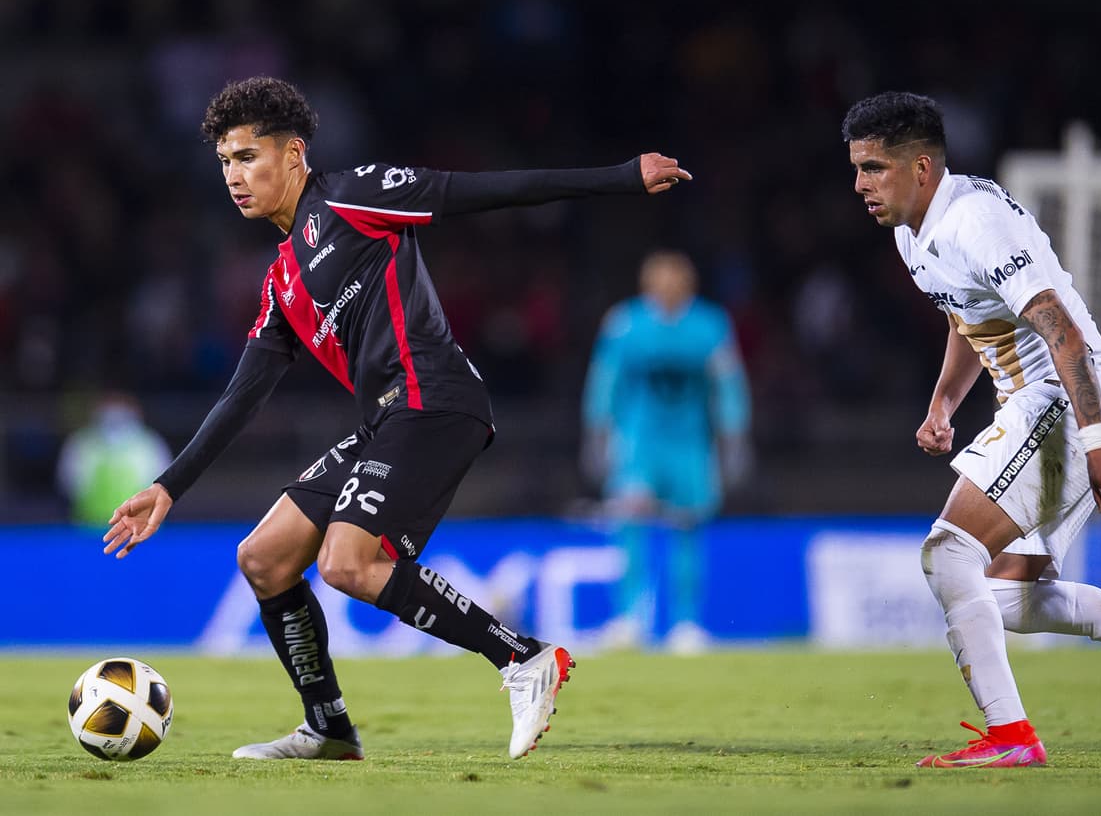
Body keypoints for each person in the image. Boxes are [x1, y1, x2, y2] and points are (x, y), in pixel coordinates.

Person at [103, 76, 692, 761]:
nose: (235, 176)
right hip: (387, 422)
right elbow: (244, 392)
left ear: (294, 155)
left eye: (248, 156)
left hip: (436, 401)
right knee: (263, 558)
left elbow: (481, 190)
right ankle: (327, 727)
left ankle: (522, 658)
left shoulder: (352, 195)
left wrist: (621, 177)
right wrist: (169, 485)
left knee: (347, 564)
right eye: (226, 162)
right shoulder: (282, 280)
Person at [841, 92, 1101, 769]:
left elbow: (1057, 327)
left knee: (948, 555)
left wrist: (1099, 444)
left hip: (1064, 401)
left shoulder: (974, 220)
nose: (859, 185)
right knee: (1009, 598)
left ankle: (1012, 738)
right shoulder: (912, 232)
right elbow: (966, 314)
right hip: (1044, 408)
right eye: (856, 169)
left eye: (874, 168)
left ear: (920, 167)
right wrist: (943, 402)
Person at [580, 250, 751, 652]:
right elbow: (604, 380)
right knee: (631, 526)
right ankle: (628, 620)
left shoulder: (709, 325)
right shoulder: (626, 323)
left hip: (690, 445)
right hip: (639, 443)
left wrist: (734, 435)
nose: (667, 289)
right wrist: (597, 431)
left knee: (688, 528)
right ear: (647, 285)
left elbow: (729, 384)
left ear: (688, 285)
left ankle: (686, 624)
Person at [58, 392, 172, 526]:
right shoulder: (80, 443)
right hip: (89, 529)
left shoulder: (150, 444)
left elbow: (165, 490)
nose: (115, 413)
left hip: (140, 532)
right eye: (110, 405)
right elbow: (67, 485)